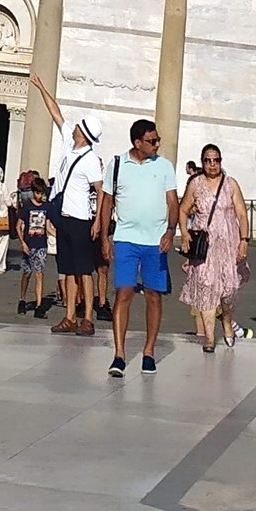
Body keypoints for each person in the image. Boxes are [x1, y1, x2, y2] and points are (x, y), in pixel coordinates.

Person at [98, 117, 180, 378]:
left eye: (157, 140)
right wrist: (104, 237)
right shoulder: (118, 164)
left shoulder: (164, 166)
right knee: (123, 293)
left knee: (154, 295)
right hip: (126, 238)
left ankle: (149, 351)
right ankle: (119, 354)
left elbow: (173, 201)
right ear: (137, 142)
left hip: (155, 240)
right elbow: (107, 202)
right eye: (151, 140)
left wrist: (170, 230)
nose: (156, 144)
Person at [29, 71, 105, 336]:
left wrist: (97, 221)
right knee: (67, 269)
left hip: (80, 219)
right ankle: (70, 316)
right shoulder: (67, 145)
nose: (73, 126)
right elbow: (55, 112)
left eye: (78, 126)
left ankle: (88, 318)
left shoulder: (91, 160)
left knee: (84, 271)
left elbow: (101, 191)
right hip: (61, 216)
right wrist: (41, 87)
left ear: (83, 134)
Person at [179, 144, 251, 352]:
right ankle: (209, 338)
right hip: (205, 246)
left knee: (229, 290)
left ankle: (227, 321)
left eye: (216, 160)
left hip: (229, 244)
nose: (212, 164)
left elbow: (242, 214)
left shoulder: (230, 184)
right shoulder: (195, 184)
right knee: (206, 288)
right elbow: (183, 211)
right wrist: (184, 234)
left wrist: (244, 240)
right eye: (208, 160)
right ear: (202, 162)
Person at [13, 173, 50, 315]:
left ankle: (39, 305)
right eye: (38, 193)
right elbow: (18, 225)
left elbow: (48, 226)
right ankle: (22, 298)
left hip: (41, 244)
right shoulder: (27, 207)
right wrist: (22, 242)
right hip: (28, 243)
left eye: (42, 193)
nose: (40, 196)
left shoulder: (47, 207)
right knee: (27, 272)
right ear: (34, 192)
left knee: (39, 273)